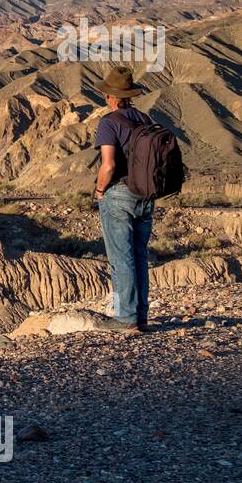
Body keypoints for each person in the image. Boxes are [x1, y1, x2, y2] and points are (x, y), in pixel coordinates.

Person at [92, 67, 154, 332]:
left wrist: (99, 190)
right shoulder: (145, 118)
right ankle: (140, 316)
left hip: (119, 194)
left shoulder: (109, 122)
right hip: (146, 194)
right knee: (139, 256)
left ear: (110, 97)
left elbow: (108, 165)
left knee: (120, 259)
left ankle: (124, 318)